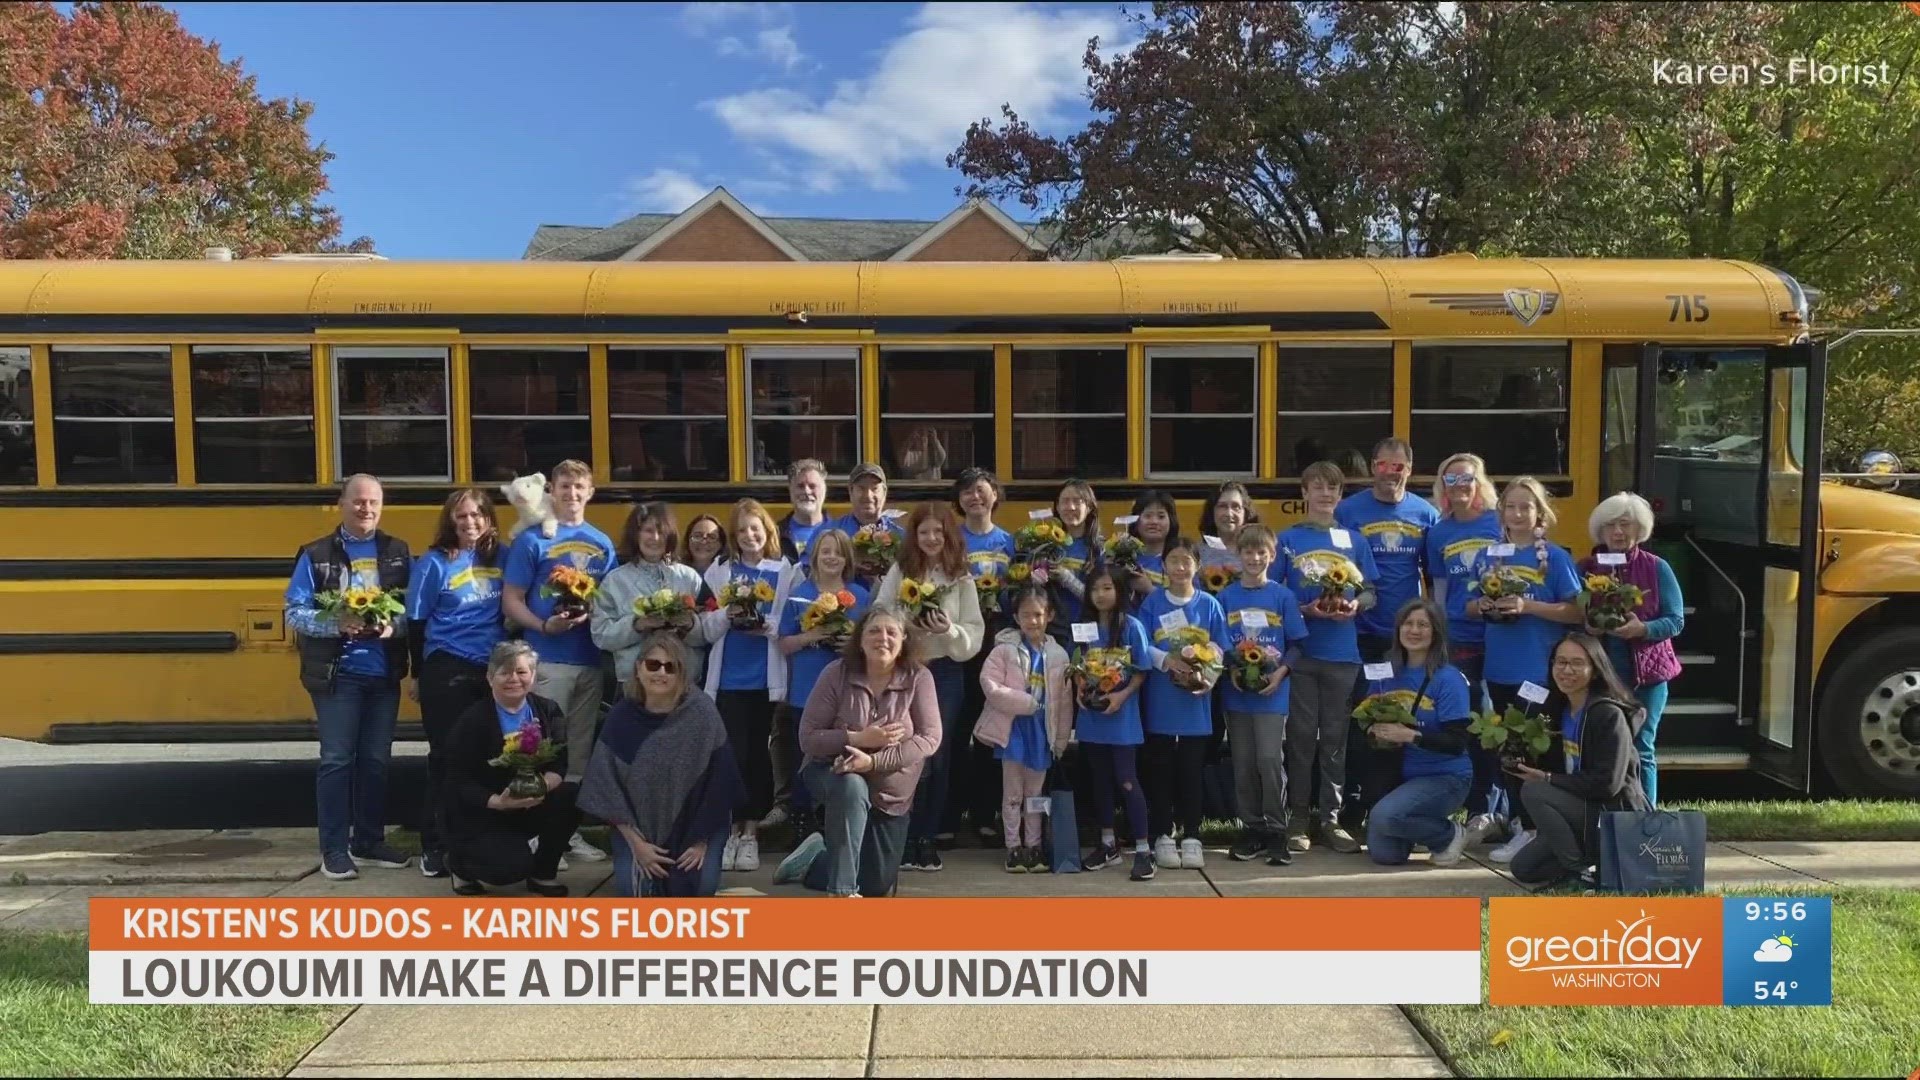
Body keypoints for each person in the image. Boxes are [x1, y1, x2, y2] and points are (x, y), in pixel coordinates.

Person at [284, 473, 413, 881]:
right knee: (338, 760)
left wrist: (396, 626)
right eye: (358, 501)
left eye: (373, 501)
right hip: (338, 675)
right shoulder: (316, 553)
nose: (366, 509)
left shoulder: (397, 552)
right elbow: (295, 612)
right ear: (341, 504)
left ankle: (369, 841)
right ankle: (334, 850)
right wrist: (337, 623)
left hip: (384, 673)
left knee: (376, 761)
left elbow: (415, 608)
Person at [776, 605, 942, 898]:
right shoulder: (836, 673)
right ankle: (842, 893)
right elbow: (808, 738)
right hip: (832, 772)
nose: (883, 638)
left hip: (890, 793)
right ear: (860, 638)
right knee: (851, 786)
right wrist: (858, 737)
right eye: (874, 631)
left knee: (876, 884)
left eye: (892, 632)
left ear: (904, 638)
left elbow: (930, 738)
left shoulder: (919, 678)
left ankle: (815, 859)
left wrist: (873, 761)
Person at [500, 459, 615, 866]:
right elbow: (511, 599)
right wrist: (543, 626)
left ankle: (567, 832)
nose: (571, 494)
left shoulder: (602, 543)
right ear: (552, 490)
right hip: (546, 660)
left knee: (578, 754)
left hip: (589, 661)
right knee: (541, 751)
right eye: (564, 486)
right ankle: (536, 833)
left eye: (579, 487)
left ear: (590, 492)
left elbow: (608, 599)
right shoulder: (532, 541)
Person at [1466, 477, 1585, 864]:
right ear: (1501, 512)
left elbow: (1576, 611)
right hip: (1499, 669)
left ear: (1539, 514)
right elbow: (1465, 605)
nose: (1517, 514)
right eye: (1510, 507)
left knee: (1535, 751)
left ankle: (1537, 829)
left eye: (1525, 507)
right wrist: (1483, 605)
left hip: (1537, 672)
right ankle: (1521, 825)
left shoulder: (1554, 557)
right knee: (1507, 749)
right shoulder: (1488, 555)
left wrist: (1529, 607)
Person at [580, 633, 744, 897]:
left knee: (700, 890)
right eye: (653, 664)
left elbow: (721, 782)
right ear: (639, 667)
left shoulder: (702, 713)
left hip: (698, 827)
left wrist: (701, 841)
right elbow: (604, 786)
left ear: (682, 673)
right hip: (636, 831)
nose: (661, 673)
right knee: (635, 892)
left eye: (671, 667)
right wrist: (637, 846)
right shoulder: (621, 717)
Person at [873, 502, 986, 872]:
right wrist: (906, 626)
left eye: (938, 532)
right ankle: (901, 837)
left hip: (945, 674)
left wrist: (947, 630)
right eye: (924, 532)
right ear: (915, 536)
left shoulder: (960, 576)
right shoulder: (901, 570)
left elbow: (974, 631)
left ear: (948, 534)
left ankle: (927, 838)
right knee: (904, 754)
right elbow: (880, 613)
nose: (932, 538)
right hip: (904, 672)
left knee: (936, 755)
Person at [1336, 438, 1442, 833]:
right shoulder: (1348, 510)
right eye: (1383, 466)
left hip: (1407, 638)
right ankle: (1355, 802)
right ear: (1372, 468)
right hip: (1359, 633)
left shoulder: (1425, 513)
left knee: (1401, 718)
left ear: (1409, 471)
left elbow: (1433, 576)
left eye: (1398, 467)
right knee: (1359, 720)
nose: (1390, 474)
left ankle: (1389, 802)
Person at [1275, 461, 1381, 855]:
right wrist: (1304, 611)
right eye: (1316, 487)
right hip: (1303, 654)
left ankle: (1331, 820)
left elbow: (1371, 591)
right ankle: (1298, 819)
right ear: (1303, 493)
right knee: (1301, 739)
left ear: (1340, 495)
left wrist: (1356, 605)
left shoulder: (1354, 540)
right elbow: (1276, 595)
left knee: (1335, 741)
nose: (1324, 494)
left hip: (1343, 655)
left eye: (1332, 488)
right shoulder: (1288, 539)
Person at [405, 488, 506, 879]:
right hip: (448, 667)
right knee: (447, 758)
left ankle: (476, 839)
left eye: (477, 515)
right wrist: (417, 674)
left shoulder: (503, 555)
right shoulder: (433, 562)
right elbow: (416, 621)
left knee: (490, 759)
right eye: (461, 516)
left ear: (489, 518)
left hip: (493, 670)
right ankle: (435, 843)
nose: (470, 523)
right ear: (450, 521)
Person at [1509, 633, 1652, 890]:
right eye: (1560, 662)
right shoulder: (1556, 710)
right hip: (1581, 811)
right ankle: (1604, 866)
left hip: (1614, 815)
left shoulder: (1608, 715)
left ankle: (1578, 874)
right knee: (1524, 868)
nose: (1567, 670)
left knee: (1535, 790)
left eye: (1577, 663)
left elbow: (1608, 785)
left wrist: (1548, 779)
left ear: (1595, 670)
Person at [696, 498, 792, 874]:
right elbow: (705, 627)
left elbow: (788, 624)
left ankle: (750, 832)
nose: (749, 536)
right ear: (733, 537)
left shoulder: (785, 571)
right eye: (741, 530)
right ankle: (732, 830)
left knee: (758, 755)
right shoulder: (719, 573)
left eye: (756, 528)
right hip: (728, 680)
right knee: (732, 756)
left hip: (766, 680)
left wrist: (763, 625)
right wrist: (728, 614)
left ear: (767, 531)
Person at [441, 641, 579, 897]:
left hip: (531, 802)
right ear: (490, 677)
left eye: (521, 672)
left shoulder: (549, 710)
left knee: (572, 796)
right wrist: (497, 802)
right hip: (485, 811)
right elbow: (457, 779)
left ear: (533, 676)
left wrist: (541, 786)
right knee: (507, 871)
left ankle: (543, 873)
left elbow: (559, 763)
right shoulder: (472, 719)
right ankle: (460, 864)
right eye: (505, 672)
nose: (513, 679)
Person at [1580, 492, 1685, 806]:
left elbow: (1675, 621)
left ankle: (1645, 818)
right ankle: (1603, 820)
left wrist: (1644, 629)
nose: (1618, 532)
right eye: (1611, 525)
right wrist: (1588, 627)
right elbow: (1572, 617)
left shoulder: (1657, 568)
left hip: (1647, 677)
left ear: (1639, 529)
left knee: (1642, 748)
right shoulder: (1585, 568)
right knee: (1601, 750)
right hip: (1600, 677)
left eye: (1625, 525)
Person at [1424, 453, 1505, 837]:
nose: (1459, 486)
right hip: (1460, 641)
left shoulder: (1499, 522)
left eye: (1466, 478)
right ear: (1442, 487)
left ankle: (1504, 810)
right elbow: (1438, 593)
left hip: (1503, 638)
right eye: (1450, 479)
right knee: (1474, 724)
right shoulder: (1439, 532)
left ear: (1480, 482)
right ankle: (1479, 808)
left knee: (1501, 722)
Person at [1217, 525, 1308, 864]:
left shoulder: (1282, 596)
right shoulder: (1225, 597)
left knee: (1269, 759)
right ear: (1238, 556)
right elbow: (1220, 643)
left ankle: (1276, 829)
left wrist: (1282, 673)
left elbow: (1298, 644)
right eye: (1248, 552)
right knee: (1243, 763)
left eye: (1261, 553)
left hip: (1273, 692)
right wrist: (1233, 669)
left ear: (1271, 556)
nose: (1255, 558)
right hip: (1238, 692)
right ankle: (1251, 827)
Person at [1360, 599, 1474, 867]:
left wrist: (1411, 735)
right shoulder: (1386, 672)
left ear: (1436, 632)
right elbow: (1364, 718)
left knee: (1385, 818)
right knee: (1386, 855)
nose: (1414, 630)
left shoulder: (1449, 678)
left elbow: (1457, 742)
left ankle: (1447, 834)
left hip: (1445, 776)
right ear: (1398, 630)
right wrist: (1372, 729)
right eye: (1408, 624)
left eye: (1423, 625)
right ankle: (1414, 821)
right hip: (1399, 776)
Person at [1139, 538, 1229, 870]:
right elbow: (1142, 644)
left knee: (1191, 771)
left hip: (1195, 703)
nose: (1180, 567)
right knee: (1160, 770)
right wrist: (1167, 661)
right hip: (1160, 701)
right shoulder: (1152, 603)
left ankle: (1192, 835)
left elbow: (1221, 647)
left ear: (1197, 565)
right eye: (1173, 560)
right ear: (1163, 565)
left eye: (1186, 561)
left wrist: (1208, 678)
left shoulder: (1209, 604)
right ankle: (1163, 834)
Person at [773, 528, 869, 833]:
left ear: (847, 559)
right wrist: (811, 636)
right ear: (814, 556)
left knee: (843, 751)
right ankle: (802, 818)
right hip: (806, 688)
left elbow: (874, 640)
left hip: (849, 689)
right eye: (825, 551)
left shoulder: (860, 596)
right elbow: (783, 643)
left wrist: (851, 644)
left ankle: (838, 818)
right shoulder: (799, 594)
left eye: (838, 552)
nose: (832, 557)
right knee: (806, 755)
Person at [973, 586, 1072, 872]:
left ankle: (1035, 846)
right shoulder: (1003, 650)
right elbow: (990, 686)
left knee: (1036, 795)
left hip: (1043, 735)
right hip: (1013, 733)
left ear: (1049, 616)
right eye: (1026, 615)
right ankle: (1013, 847)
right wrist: (1025, 702)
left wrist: (1061, 739)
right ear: (1016, 617)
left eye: (1038, 615)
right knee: (1013, 794)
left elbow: (1065, 703)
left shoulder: (1059, 655)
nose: (1033, 621)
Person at [1072, 564, 1155, 881]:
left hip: (1122, 718)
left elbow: (1141, 670)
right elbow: (1077, 664)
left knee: (1126, 780)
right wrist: (1080, 686)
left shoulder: (1131, 626)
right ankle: (1107, 844)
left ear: (1120, 591)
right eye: (1095, 589)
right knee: (1099, 780)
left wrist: (1121, 697)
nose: (1101, 594)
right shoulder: (1084, 626)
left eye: (1107, 587)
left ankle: (1144, 849)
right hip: (1092, 717)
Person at [953, 467, 1017, 843]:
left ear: (995, 495)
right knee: (955, 732)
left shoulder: (1011, 543)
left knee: (992, 733)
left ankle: (984, 814)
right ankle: (949, 814)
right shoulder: (950, 540)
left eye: (981, 490)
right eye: (966, 492)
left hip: (997, 646)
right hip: (960, 646)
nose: (974, 498)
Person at [592, 502, 710, 693]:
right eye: (648, 531)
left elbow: (709, 633)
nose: (654, 538)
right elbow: (601, 636)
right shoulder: (615, 581)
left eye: (661, 531)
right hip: (634, 684)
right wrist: (637, 625)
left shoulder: (689, 577)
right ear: (635, 534)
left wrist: (689, 625)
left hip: (684, 682)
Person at [1046, 479, 1102, 642]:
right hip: (1051, 630)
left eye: (1077, 501)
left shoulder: (1099, 549)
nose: (1070, 507)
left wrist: (1069, 580)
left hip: (1087, 630)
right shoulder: (1047, 544)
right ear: (1057, 507)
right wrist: (1037, 577)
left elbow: (1103, 599)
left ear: (1089, 507)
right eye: (1064, 501)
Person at [837, 462, 905, 588]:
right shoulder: (831, 534)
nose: (868, 496)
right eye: (861, 488)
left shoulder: (901, 536)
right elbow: (814, 574)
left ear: (884, 492)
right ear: (850, 491)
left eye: (874, 489)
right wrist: (849, 565)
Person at [1121, 490, 1180, 604]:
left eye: (1161, 516)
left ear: (1171, 521)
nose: (1154, 522)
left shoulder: (1181, 560)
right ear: (1136, 520)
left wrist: (1149, 590)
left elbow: (1190, 603)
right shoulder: (1123, 557)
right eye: (1147, 516)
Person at [777, 458, 832, 568]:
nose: (806, 491)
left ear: (824, 489)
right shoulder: (774, 535)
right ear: (790, 489)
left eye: (812, 486)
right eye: (800, 486)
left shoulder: (841, 533)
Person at [682, 514, 728, 579]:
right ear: (687, 540)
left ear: (720, 544)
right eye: (697, 536)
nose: (703, 542)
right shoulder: (676, 574)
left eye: (712, 537)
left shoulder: (729, 575)